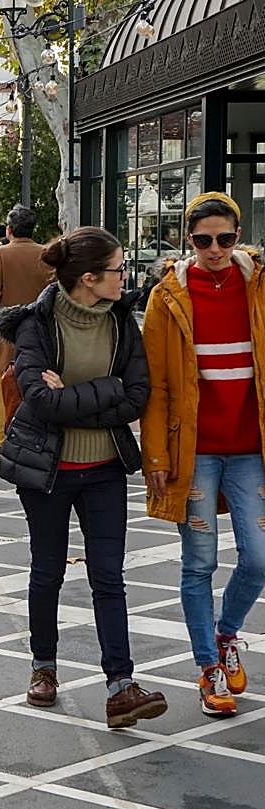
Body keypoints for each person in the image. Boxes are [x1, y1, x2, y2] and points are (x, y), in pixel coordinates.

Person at [0, 225, 166, 729]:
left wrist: (87, 393)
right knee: (48, 571)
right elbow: (40, 402)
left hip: (105, 470)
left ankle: (121, 687)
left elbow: (137, 395)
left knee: (108, 577)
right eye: (117, 270)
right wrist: (104, 391)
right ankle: (43, 669)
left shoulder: (120, 322)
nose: (124, 278)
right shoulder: (35, 324)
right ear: (89, 277)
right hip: (45, 469)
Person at [142, 192, 265, 717]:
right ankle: (207, 668)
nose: (215, 249)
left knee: (258, 559)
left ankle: (225, 635)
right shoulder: (168, 297)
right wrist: (157, 459)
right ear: (187, 241)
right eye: (203, 240)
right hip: (193, 451)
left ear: (239, 236)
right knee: (200, 562)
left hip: (249, 449)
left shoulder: (258, 288)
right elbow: (156, 387)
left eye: (225, 238)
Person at [0, 205, 55, 456]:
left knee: (3, 386)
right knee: (36, 385)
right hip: (40, 329)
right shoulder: (46, 254)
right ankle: (33, 435)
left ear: (9, 229)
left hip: (7, 328)